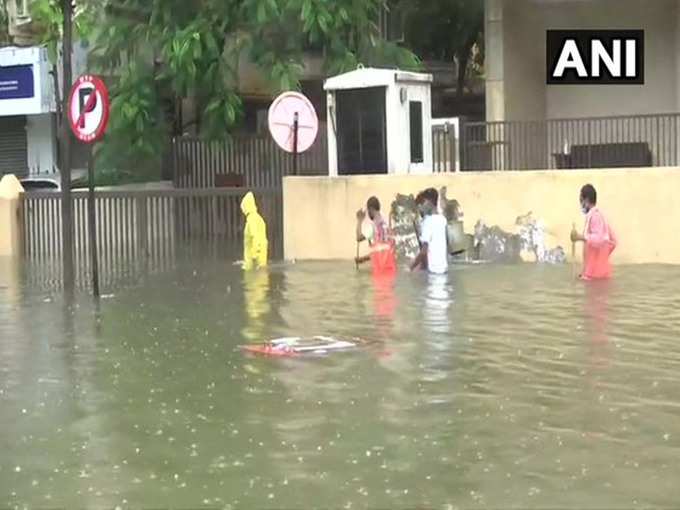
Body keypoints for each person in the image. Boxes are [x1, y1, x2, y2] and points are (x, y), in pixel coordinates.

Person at [570, 184, 617, 280]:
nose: (580, 204)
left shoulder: (595, 216)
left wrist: (581, 237)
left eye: (581, 200)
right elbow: (612, 242)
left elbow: (600, 239)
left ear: (586, 200)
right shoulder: (595, 216)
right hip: (595, 273)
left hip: (596, 276)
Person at [410, 188, 448, 274]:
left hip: (432, 272)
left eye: (422, 204)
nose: (420, 208)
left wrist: (411, 267)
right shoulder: (442, 219)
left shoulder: (427, 221)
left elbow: (424, 251)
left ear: (428, 202)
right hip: (443, 270)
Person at [355, 196, 396, 275]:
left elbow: (358, 237)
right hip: (391, 269)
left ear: (371, 209)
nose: (367, 214)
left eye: (367, 211)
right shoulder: (387, 222)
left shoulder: (373, 226)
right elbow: (383, 250)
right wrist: (363, 259)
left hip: (380, 271)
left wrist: (359, 220)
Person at [240, 191, 268, 270]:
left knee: (252, 280)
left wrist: (254, 255)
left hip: (253, 262)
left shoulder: (251, 219)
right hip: (261, 258)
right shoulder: (258, 218)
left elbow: (255, 237)